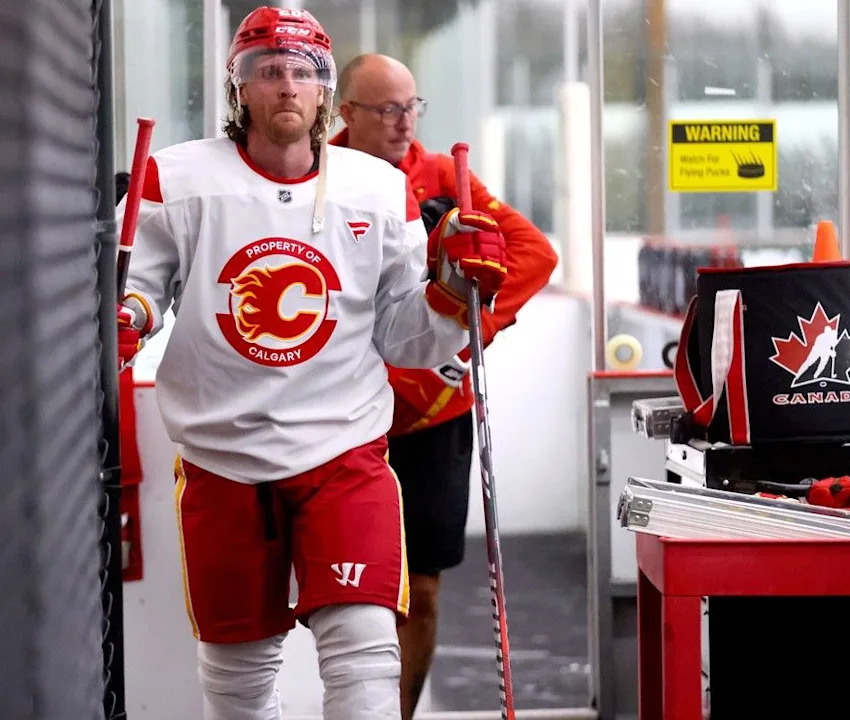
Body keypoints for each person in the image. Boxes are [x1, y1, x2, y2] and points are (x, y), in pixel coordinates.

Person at [114, 8, 508, 720]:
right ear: (240, 88)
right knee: (238, 678)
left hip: (343, 452)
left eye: (302, 72)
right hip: (221, 456)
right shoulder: (176, 178)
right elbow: (137, 291)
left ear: (325, 91)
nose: (287, 87)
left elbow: (405, 338)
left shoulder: (380, 189)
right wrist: (124, 320)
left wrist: (452, 292)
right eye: (268, 71)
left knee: (363, 654)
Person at [332, 53, 558, 719]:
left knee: (422, 588)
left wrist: (472, 330)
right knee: (350, 591)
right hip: (344, 414)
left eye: (413, 106)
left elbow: (532, 254)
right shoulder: (317, 178)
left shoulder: (442, 178)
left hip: (433, 413)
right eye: (388, 110)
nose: (405, 122)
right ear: (346, 114)